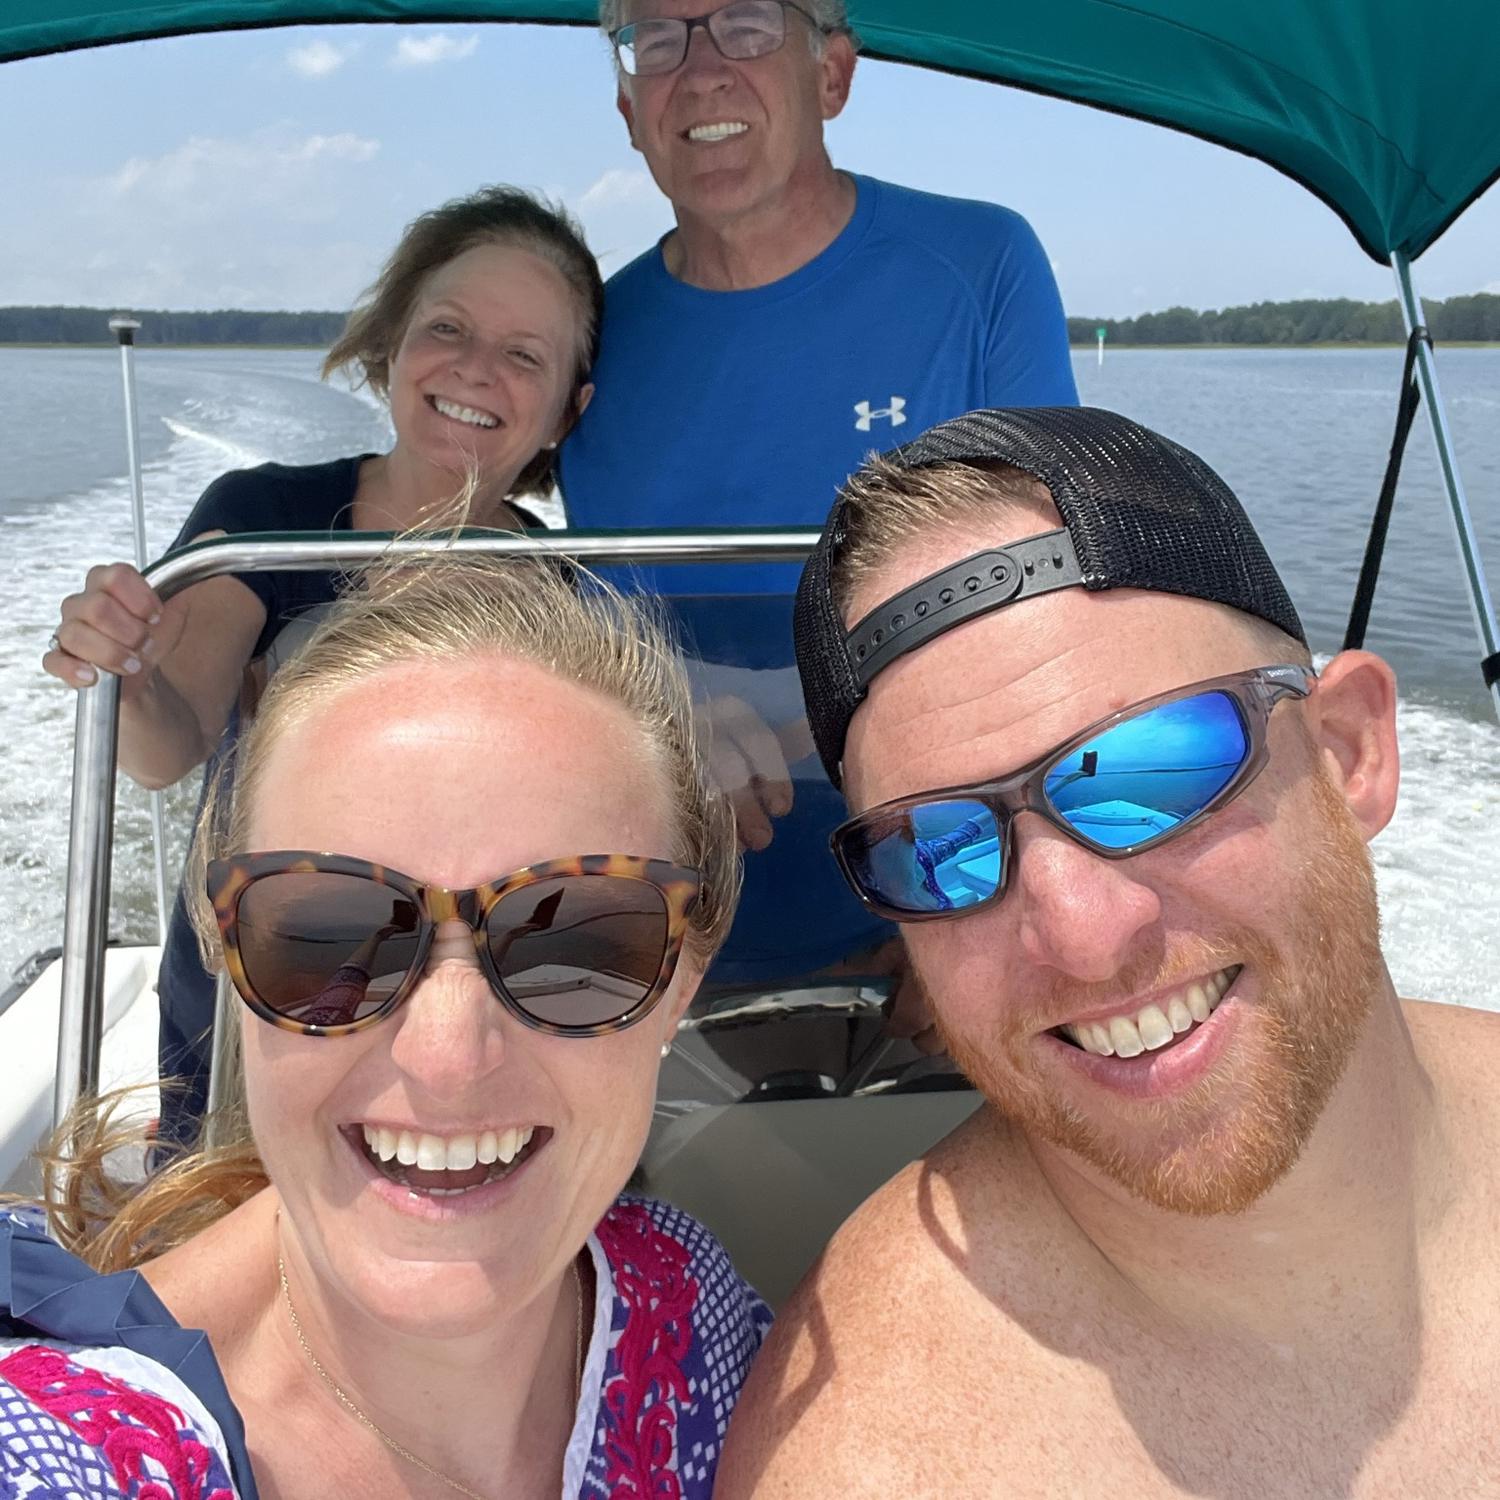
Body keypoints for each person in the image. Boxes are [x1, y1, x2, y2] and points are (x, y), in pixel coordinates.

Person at [716, 407, 1500, 1497]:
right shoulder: (880, 1463)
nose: (1083, 938)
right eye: (940, 848)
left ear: (1348, 752)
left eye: (1154, 768)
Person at [4, 552, 769, 1500]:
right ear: (224, 947)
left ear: (685, 973)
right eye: (331, 935)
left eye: (574, 939)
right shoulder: (63, 1454)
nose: (447, 1057)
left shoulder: (688, 1308)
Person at [41, 185, 603, 1146]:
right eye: (448, 328)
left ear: (566, 411)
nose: (475, 370)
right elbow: (167, 743)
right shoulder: (264, 519)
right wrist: (128, 670)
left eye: (523, 356)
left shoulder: (571, 586)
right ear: (393, 347)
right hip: (254, 1002)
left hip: (469, 1009)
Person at [561, 0, 1079, 599]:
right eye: (655, 43)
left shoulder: (984, 265)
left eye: (747, 27)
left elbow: (1053, 572)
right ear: (630, 113)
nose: (702, 75)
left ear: (832, 77)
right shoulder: (589, 335)